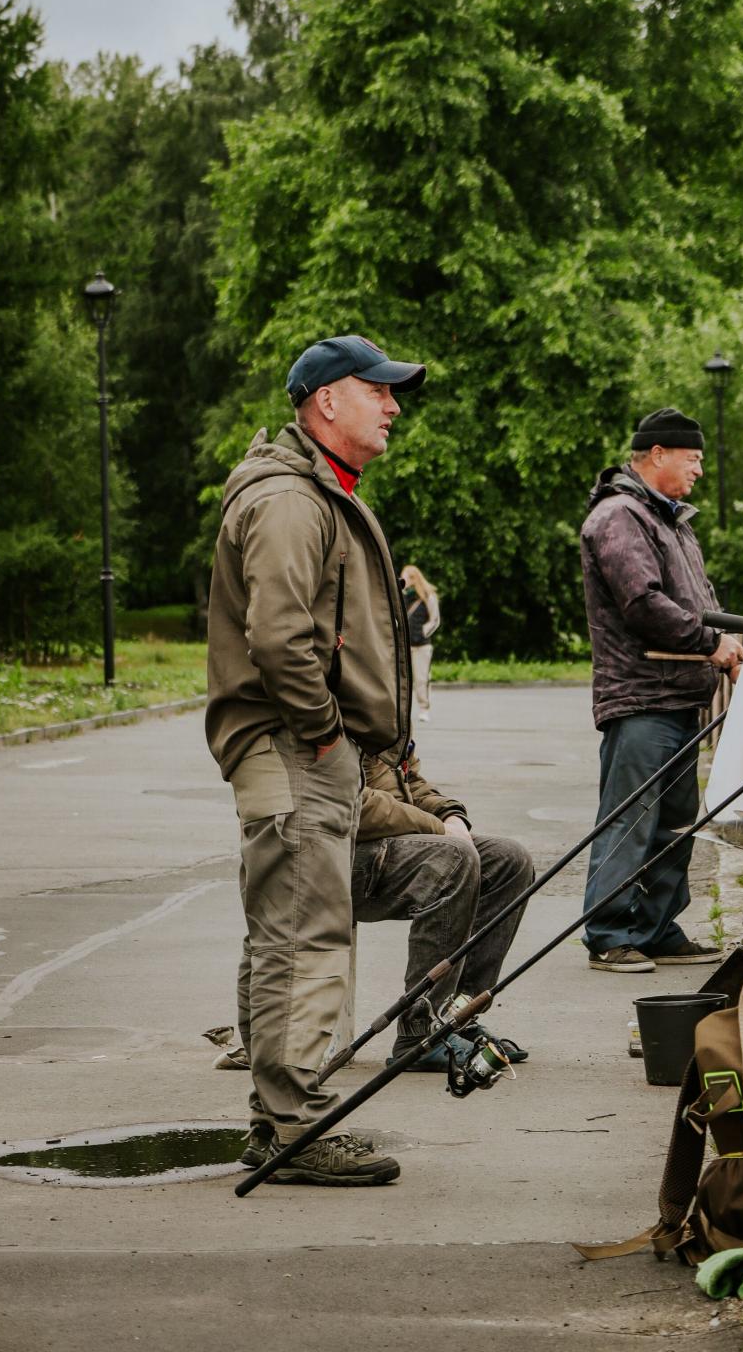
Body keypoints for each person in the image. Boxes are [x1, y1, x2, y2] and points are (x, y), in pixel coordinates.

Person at [207, 332, 425, 1187]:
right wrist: (329, 735)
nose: (393, 405)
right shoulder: (293, 501)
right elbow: (277, 637)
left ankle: (276, 1123)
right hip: (296, 748)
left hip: (300, 747)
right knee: (305, 938)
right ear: (326, 400)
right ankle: (296, 1128)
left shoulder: (311, 492)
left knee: (283, 937)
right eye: (378, 390)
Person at [579, 407, 743, 973]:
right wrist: (711, 644)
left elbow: (698, 600)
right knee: (629, 818)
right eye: (693, 459)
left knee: (675, 819)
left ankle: (653, 928)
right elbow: (644, 604)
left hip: (678, 696)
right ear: (657, 455)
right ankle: (608, 934)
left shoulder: (671, 520)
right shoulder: (619, 516)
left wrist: (728, 642)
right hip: (641, 697)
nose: (700, 470)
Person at [353, 744, 533, 1069]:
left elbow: (407, 784)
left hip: (388, 838)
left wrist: (450, 813)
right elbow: (351, 805)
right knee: (453, 858)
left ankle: (456, 1018)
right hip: (337, 855)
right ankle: (420, 1034)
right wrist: (437, 828)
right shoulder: (345, 704)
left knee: (510, 860)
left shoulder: (389, 703)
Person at [401, 564, 441, 723]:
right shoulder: (401, 596)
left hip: (421, 646)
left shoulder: (428, 596)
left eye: (404, 576)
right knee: (403, 679)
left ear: (413, 578)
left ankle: (424, 709)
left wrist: (423, 633)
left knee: (421, 679)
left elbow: (435, 620)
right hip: (405, 646)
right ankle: (403, 711)